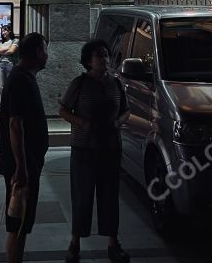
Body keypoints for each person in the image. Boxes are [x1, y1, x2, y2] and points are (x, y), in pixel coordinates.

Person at [59, 39, 131, 263]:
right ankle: (75, 243)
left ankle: (113, 243)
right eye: (99, 56)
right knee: (82, 197)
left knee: (109, 196)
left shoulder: (116, 83)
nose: (104, 60)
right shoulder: (80, 84)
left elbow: (126, 111)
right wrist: (82, 123)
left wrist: (118, 122)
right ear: (88, 60)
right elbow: (63, 110)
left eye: (106, 55)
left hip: (110, 148)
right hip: (84, 149)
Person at [0, 32, 49, 263]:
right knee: (17, 223)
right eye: (45, 50)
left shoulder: (25, 77)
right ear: (38, 53)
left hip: (27, 163)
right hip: (22, 166)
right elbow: (15, 125)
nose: (47, 55)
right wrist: (21, 167)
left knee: (21, 221)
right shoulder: (20, 79)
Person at [0, 24, 19, 100]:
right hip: (1, 65)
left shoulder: (15, 40)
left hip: (11, 64)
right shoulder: (3, 42)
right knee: (1, 87)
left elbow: (12, 51)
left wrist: (3, 51)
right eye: (2, 31)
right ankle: (1, 107)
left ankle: (10, 107)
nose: (3, 33)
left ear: (9, 31)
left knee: (11, 86)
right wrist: (8, 47)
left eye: (4, 31)